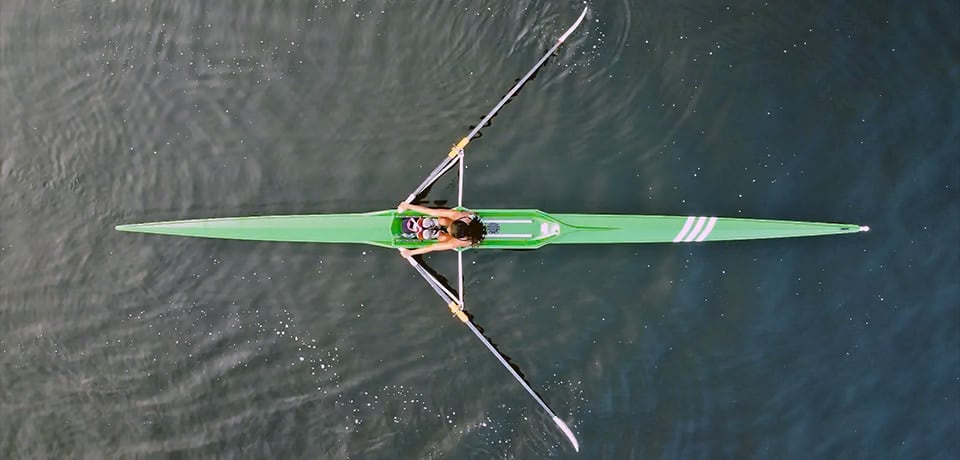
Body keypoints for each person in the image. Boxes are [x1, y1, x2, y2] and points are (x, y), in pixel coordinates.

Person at [397, 202, 485, 258]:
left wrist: (411, 252)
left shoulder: (461, 241)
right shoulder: (457, 215)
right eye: (449, 228)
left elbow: (434, 247)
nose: (448, 229)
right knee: (442, 220)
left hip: (473, 234)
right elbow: (431, 212)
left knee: (442, 239)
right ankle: (434, 223)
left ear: (459, 237)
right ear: (458, 221)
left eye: (450, 231)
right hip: (470, 222)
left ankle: (435, 233)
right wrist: (408, 206)